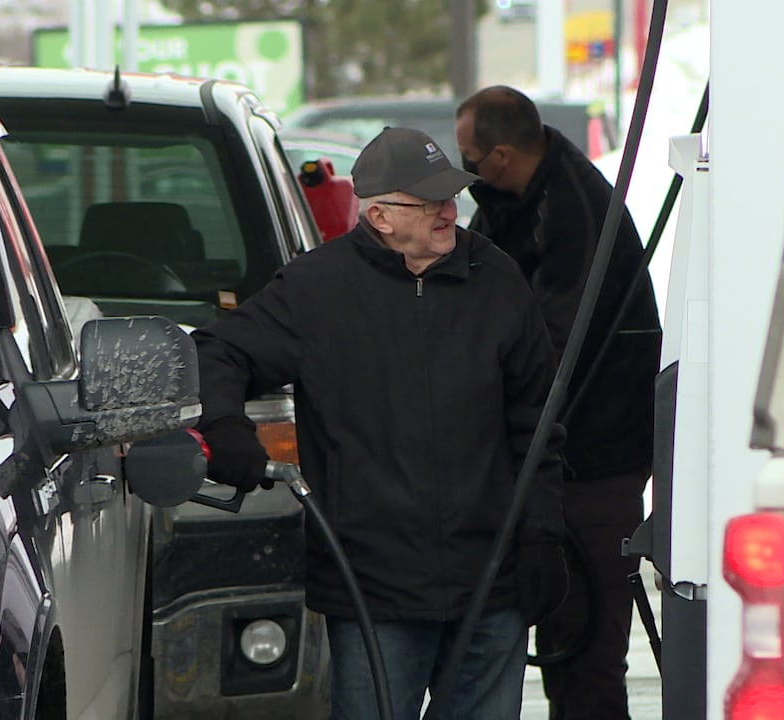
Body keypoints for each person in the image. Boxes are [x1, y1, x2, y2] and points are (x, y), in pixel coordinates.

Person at [191, 126, 570, 720]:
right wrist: (225, 426)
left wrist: (544, 534)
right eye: (430, 203)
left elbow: (539, 426)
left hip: (490, 584)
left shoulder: (496, 280)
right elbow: (217, 352)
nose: (449, 212)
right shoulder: (317, 289)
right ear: (381, 216)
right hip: (373, 587)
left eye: (450, 197)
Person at [455, 86, 662, 720]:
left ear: (499, 155)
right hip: (551, 456)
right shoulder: (514, 200)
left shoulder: (572, 212)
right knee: (563, 634)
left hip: (594, 460)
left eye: (467, 159)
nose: (464, 177)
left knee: (588, 648)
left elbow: (551, 346)